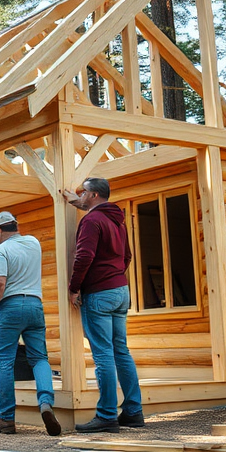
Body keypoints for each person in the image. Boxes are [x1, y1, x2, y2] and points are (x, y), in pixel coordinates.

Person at [62, 177, 144, 433]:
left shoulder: (92, 221)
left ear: (94, 195)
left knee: (103, 354)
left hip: (100, 293)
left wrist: (74, 287)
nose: (80, 196)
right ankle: (133, 412)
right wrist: (114, 276)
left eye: (82, 192)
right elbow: (127, 256)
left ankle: (107, 415)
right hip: (121, 291)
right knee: (121, 351)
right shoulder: (116, 219)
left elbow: (84, 255)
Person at [0, 210, 62, 436]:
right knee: (39, 358)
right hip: (35, 306)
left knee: (5, 362)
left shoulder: (0, 250)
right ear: (15, 226)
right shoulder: (33, 242)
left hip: (10, 307)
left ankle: (7, 419)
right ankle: (46, 402)